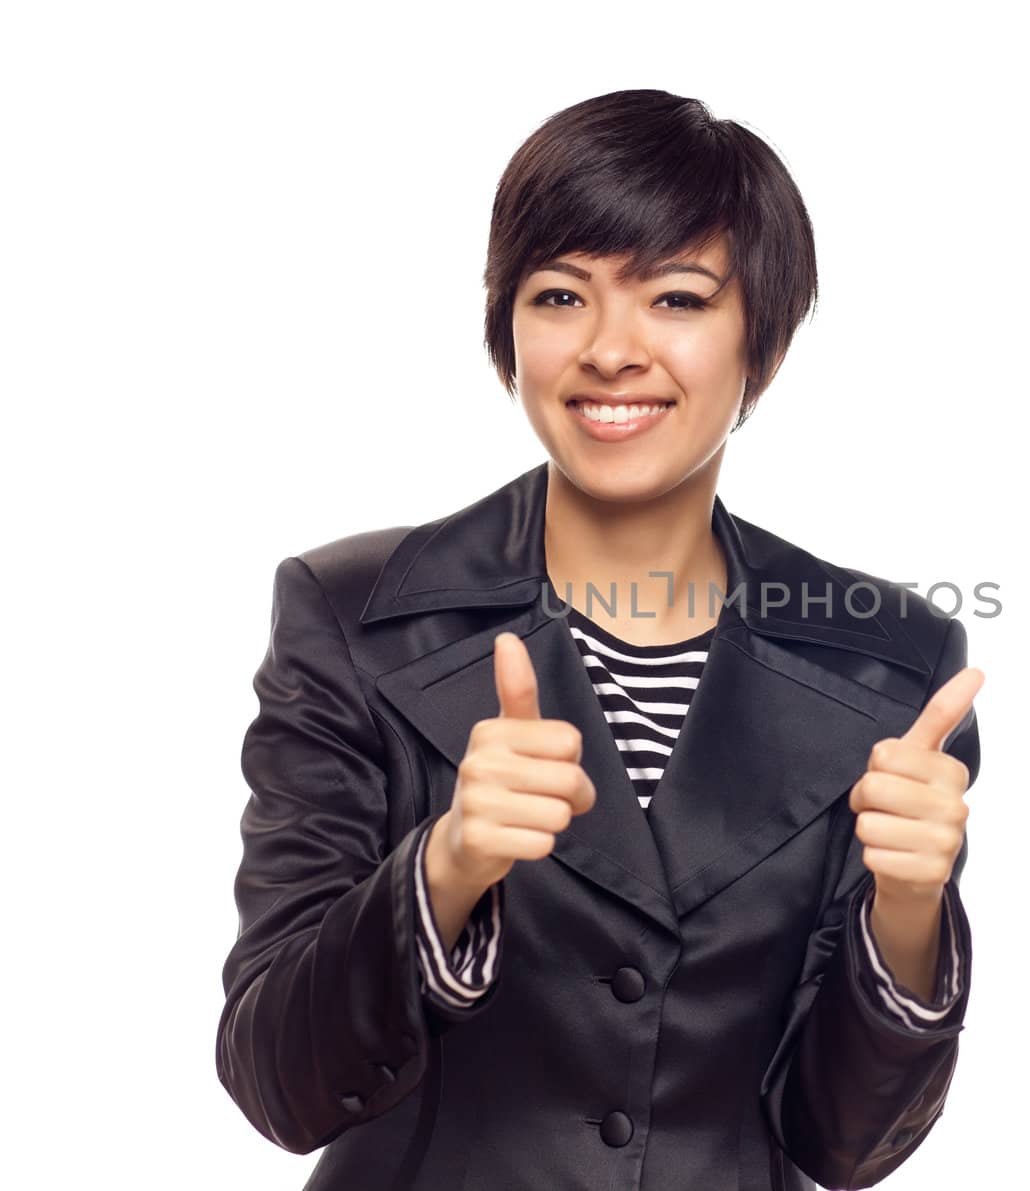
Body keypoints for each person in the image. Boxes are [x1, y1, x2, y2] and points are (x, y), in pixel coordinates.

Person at [216, 88, 986, 1191]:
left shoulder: (889, 662)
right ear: (506, 336)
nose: (611, 351)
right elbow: (275, 1085)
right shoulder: (349, 616)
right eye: (561, 294)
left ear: (757, 344)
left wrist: (907, 921)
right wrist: (445, 868)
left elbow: (845, 1144)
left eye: (675, 297)